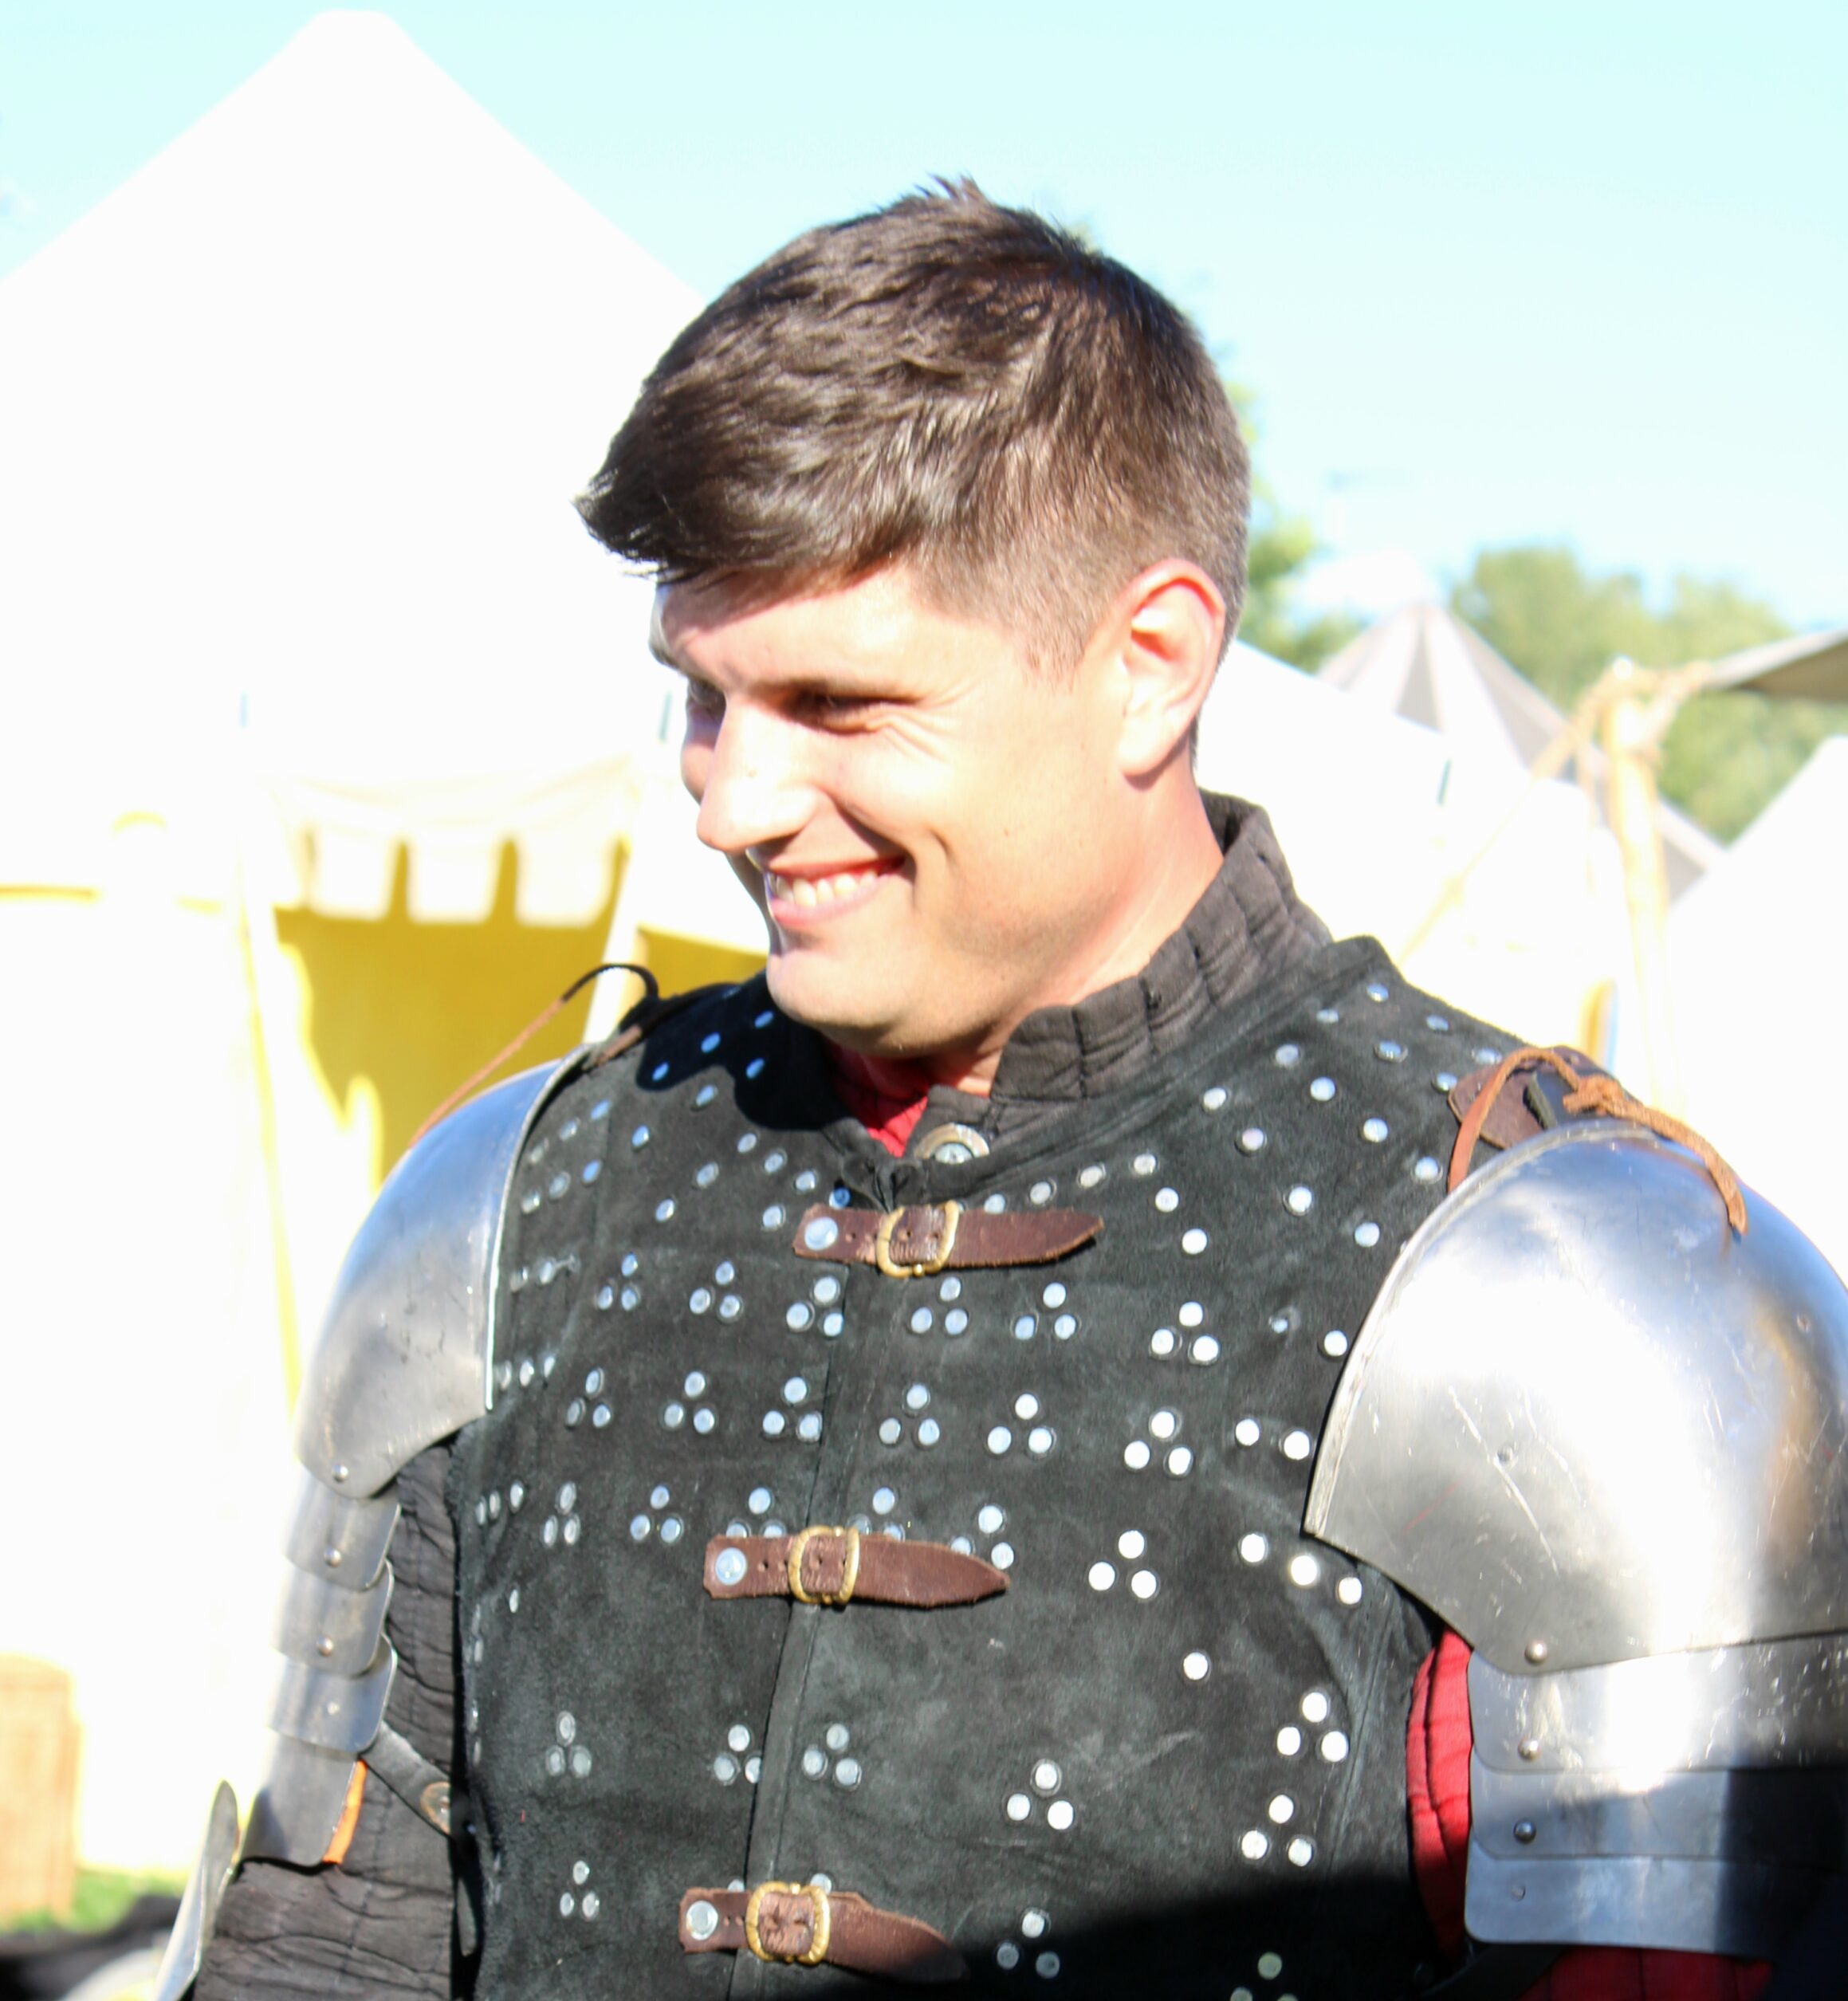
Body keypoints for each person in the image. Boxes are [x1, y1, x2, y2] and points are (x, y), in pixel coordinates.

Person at [163, 184, 1847, 2000]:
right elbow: (323, 1938)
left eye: (838, 703)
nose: (727, 801)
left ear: (1149, 667)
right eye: (704, 698)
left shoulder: (1559, 1285)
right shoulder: (505, 1205)